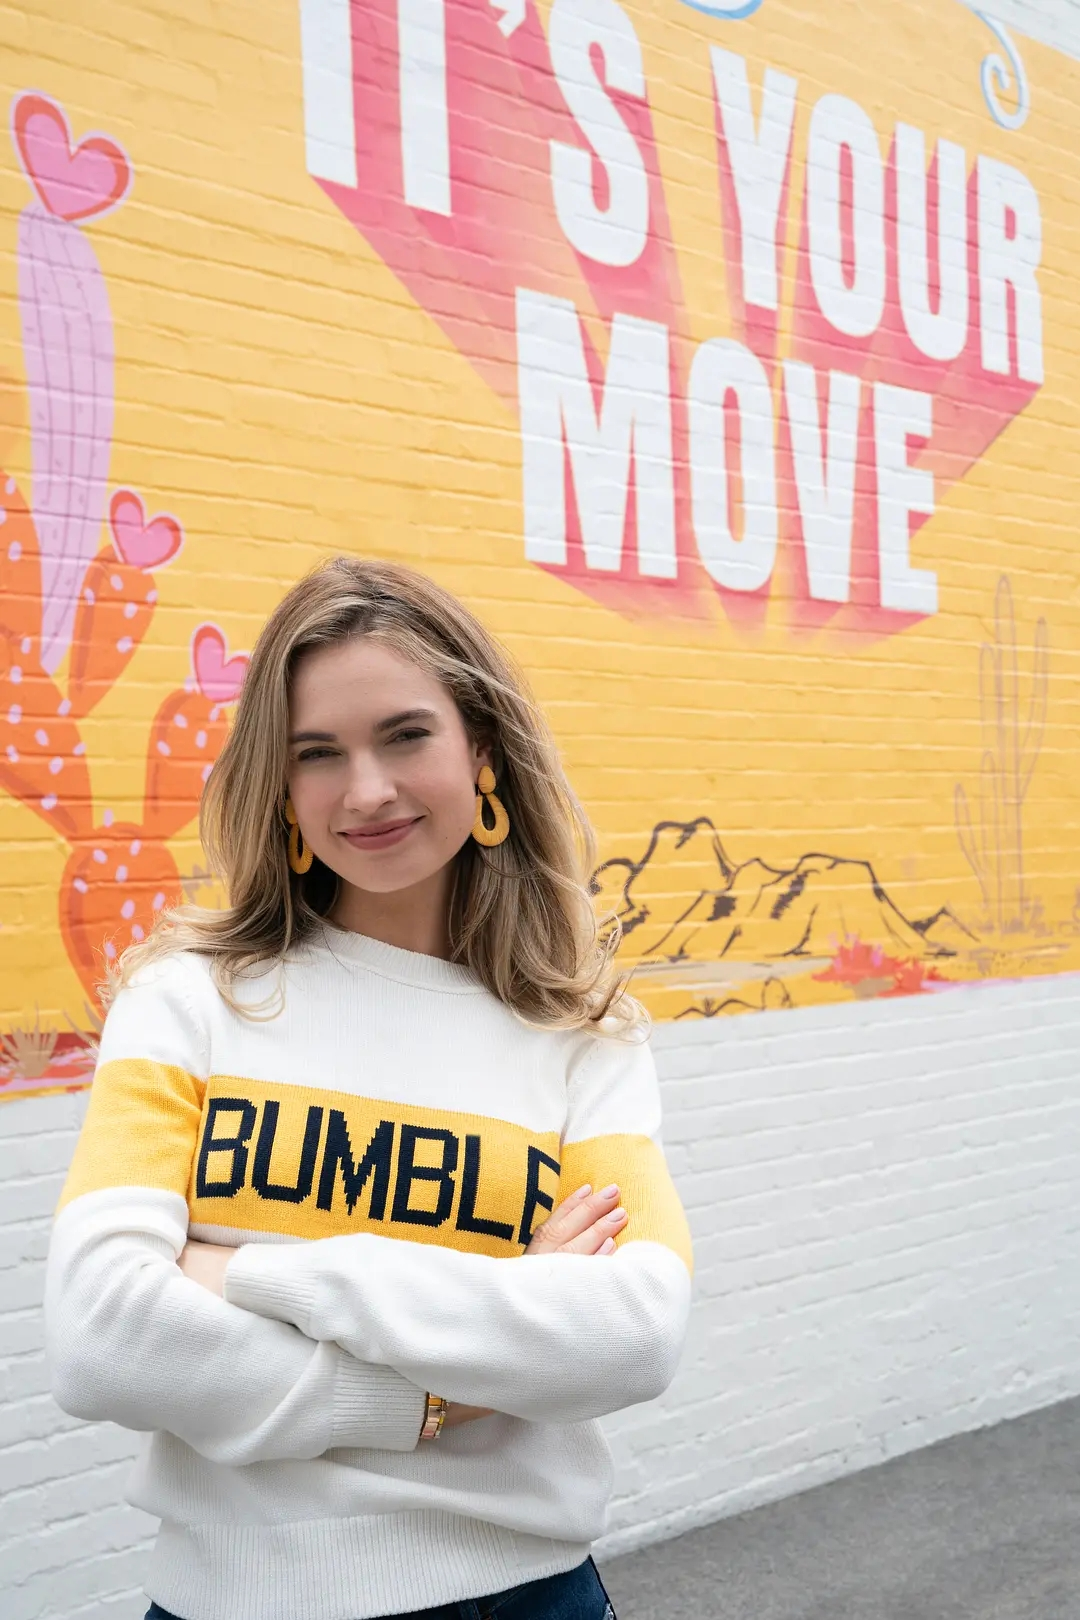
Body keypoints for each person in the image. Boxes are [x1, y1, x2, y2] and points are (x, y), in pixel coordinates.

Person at [44, 558, 693, 1620]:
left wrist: (244, 1274)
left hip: (526, 1598)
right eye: (318, 753)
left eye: (405, 735)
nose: (367, 791)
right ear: (281, 785)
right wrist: (445, 1385)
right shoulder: (188, 1001)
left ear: (482, 751)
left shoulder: (583, 1033)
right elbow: (101, 1341)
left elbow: (633, 1330)